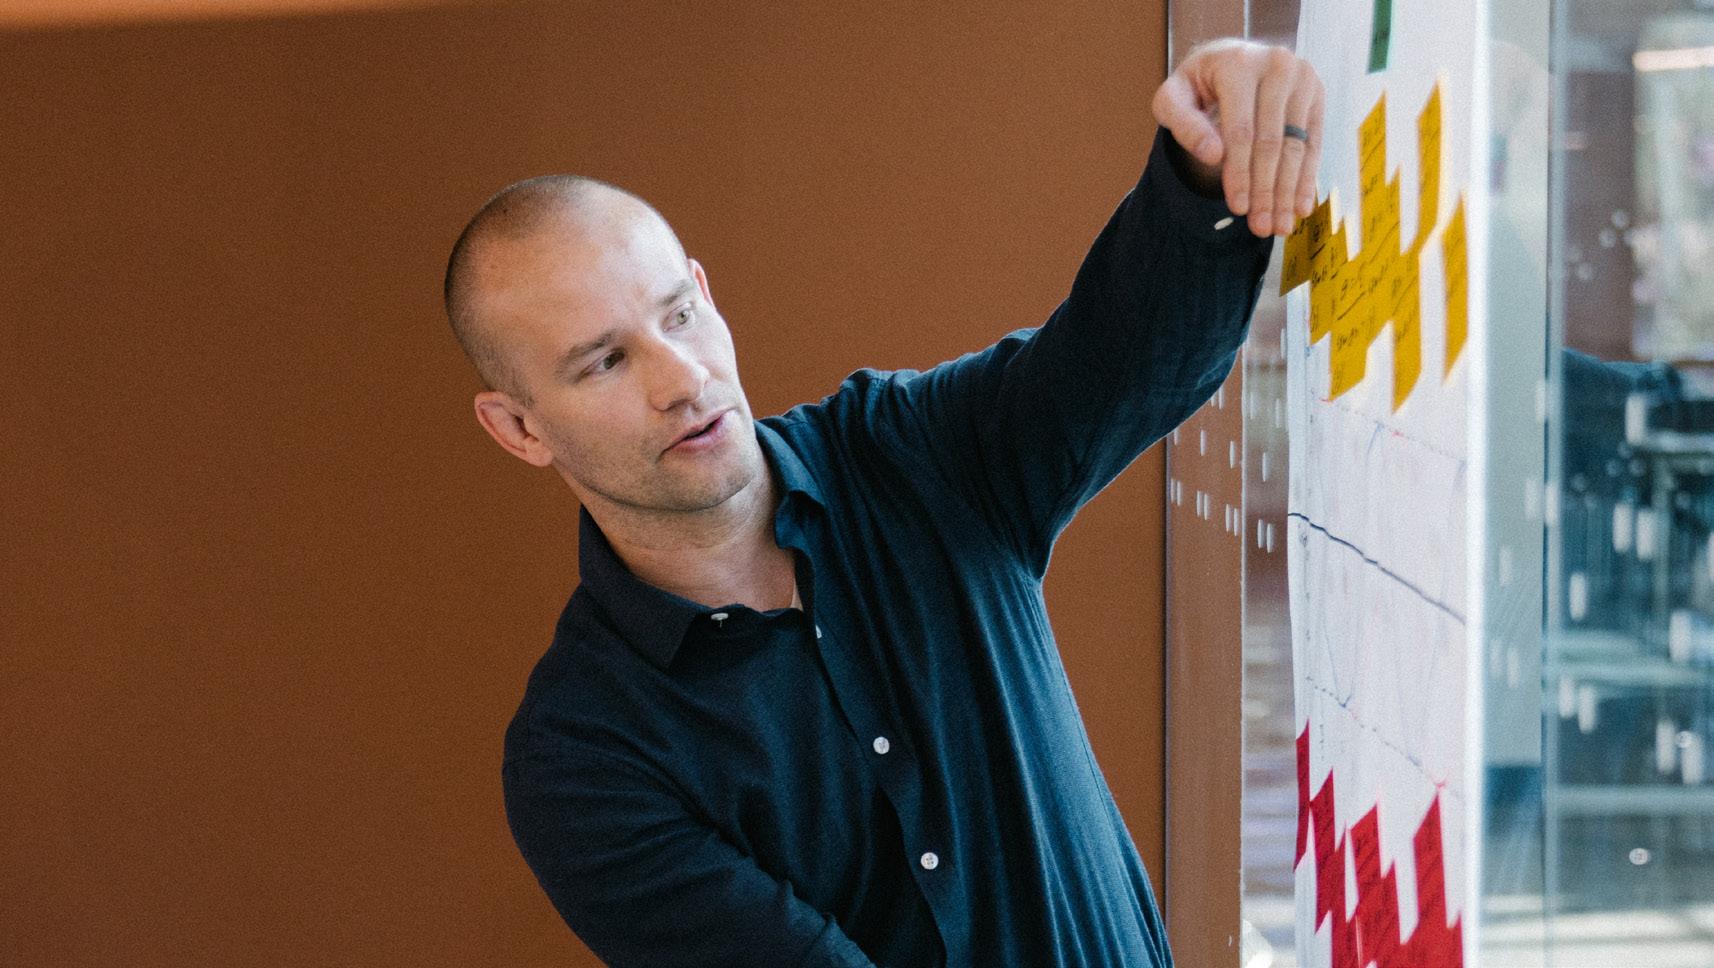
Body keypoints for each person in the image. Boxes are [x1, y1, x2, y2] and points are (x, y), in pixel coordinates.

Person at [444, 38, 1324, 968]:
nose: (683, 379)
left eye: (679, 316)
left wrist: (1206, 164)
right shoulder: (583, 761)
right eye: (606, 362)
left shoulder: (908, 452)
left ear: (706, 292)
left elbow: (1128, 357)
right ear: (520, 429)